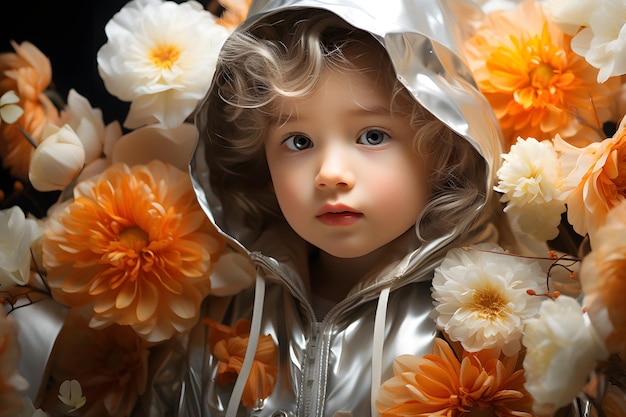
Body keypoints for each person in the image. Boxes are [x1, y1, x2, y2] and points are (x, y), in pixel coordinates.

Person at [145, 0, 517, 416]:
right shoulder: (219, 318)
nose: (331, 174)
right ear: (262, 158)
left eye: (372, 136)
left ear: (445, 146)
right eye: (298, 141)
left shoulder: (487, 332)